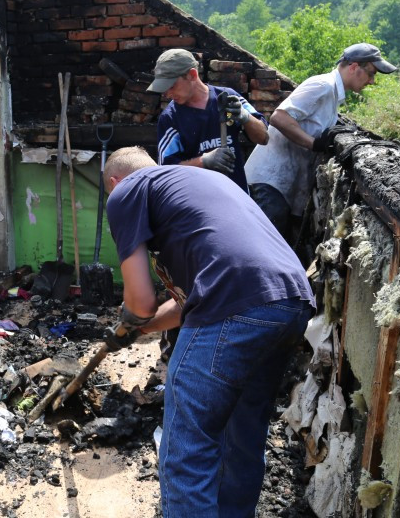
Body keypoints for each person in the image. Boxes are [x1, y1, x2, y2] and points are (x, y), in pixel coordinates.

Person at [101, 146, 315, 518]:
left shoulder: (126, 191)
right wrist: (140, 330)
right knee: (242, 438)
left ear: (115, 182)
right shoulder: (199, 186)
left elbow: (141, 301)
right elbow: (184, 306)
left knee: (188, 451)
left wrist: (130, 319)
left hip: (233, 302)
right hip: (289, 303)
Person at [244, 42, 397, 242]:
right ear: (354, 67)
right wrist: (314, 144)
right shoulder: (322, 86)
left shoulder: (333, 95)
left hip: (283, 187)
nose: (372, 81)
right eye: (371, 73)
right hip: (270, 184)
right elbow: (279, 118)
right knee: (263, 248)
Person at [148, 48, 269, 193]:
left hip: (238, 196)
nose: (167, 94)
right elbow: (166, 172)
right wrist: (203, 161)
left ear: (192, 75)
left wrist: (245, 117)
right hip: (199, 201)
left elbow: (263, 138)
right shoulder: (170, 118)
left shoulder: (227, 98)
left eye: (171, 86)